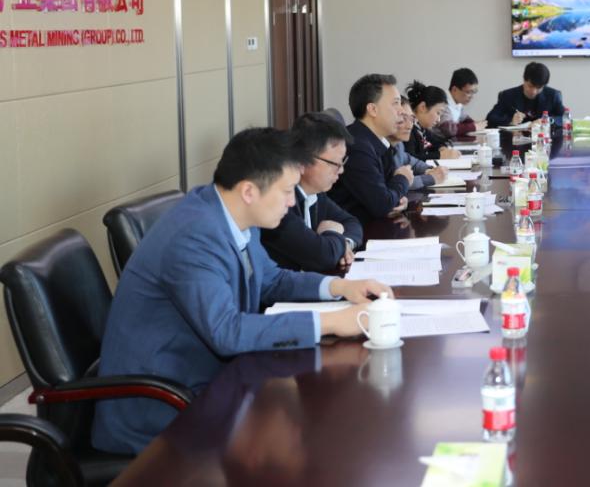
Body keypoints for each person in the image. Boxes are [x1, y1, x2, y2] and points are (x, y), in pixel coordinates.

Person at [92, 128, 392, 454]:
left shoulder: (230, 214)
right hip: (162, 404)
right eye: (287, 191)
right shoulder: (194, 236)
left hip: (209, 378)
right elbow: (227, 331)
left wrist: (340, 286)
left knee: (315, 414)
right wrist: (331, 322)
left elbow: (270, 279)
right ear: (249, 190)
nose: (293, 202)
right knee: (313, 424)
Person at [260, 112, 363, 272]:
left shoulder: (316, 194)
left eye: (342, 162)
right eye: (335, 163)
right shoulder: (281, 203)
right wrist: (332, 232)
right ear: (304, 160)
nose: (341, 170)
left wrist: (345, 244)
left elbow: (352, 223)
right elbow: (323, 256)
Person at [328, 73, 414, 223]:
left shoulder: (377, 141)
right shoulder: (356, 147)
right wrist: (403, 179)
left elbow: (388, 193)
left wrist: (399, 199)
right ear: (373, 109)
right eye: (395, 103)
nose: (401, 110)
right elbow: (382, 205)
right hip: (354, 231)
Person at [486, 61, 564, 132]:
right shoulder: (508, 95)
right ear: (524, 80)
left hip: (543, 138)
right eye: (530, 86)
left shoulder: (553, 95)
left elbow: (564, 118)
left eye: (538, 88)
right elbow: (490, 118)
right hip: (515, 139)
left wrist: (547, 121)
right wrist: (510, 120)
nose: (534, 91)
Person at [392, 97, 449, 191]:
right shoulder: (380, 147)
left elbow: (411, 161)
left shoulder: (398, 144)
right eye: (403, 118)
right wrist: (431, 178)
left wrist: (429, 169)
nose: (409, 126)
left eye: (412, 118)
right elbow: (392, 185)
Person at [406, 80, 461, 161]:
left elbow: (436, 142)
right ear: (423, 107)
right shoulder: (408, 129)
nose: (438, 120)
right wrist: (440, 155)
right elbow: (411, 158)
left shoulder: (421, 128)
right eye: (438, 113)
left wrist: (442, 148)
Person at [437, 67, 484, 139]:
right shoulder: (443, 102)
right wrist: (473, 126)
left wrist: (475, 124)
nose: (471, 97)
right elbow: (447, 129)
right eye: (468, 92)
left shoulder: (457, 102)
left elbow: (465, 118)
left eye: (474, 92)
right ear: (454, 89)